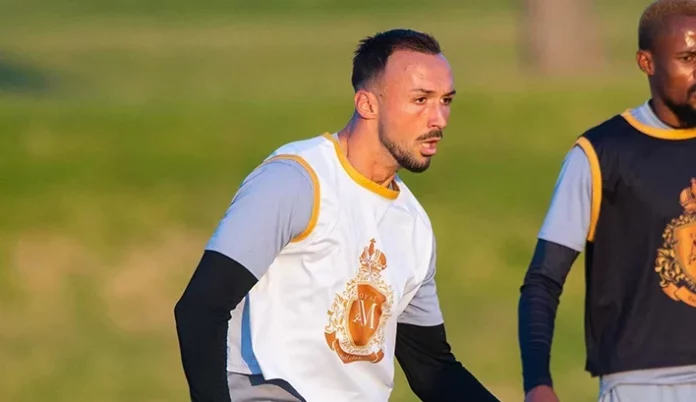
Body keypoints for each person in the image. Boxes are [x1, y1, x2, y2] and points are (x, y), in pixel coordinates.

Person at [174, 28, 499, 402]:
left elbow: (432, 369)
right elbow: (201, 309)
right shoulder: (295, 182)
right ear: (367, 104)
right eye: (420, 100)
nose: (439, 118)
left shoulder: (414, 227)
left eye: (446, 101)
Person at [518, 1, 696, 401]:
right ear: (646, 62)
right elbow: (543, 280)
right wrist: (537, 383)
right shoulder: (601, 154)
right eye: (688, 58)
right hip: (639, 386)